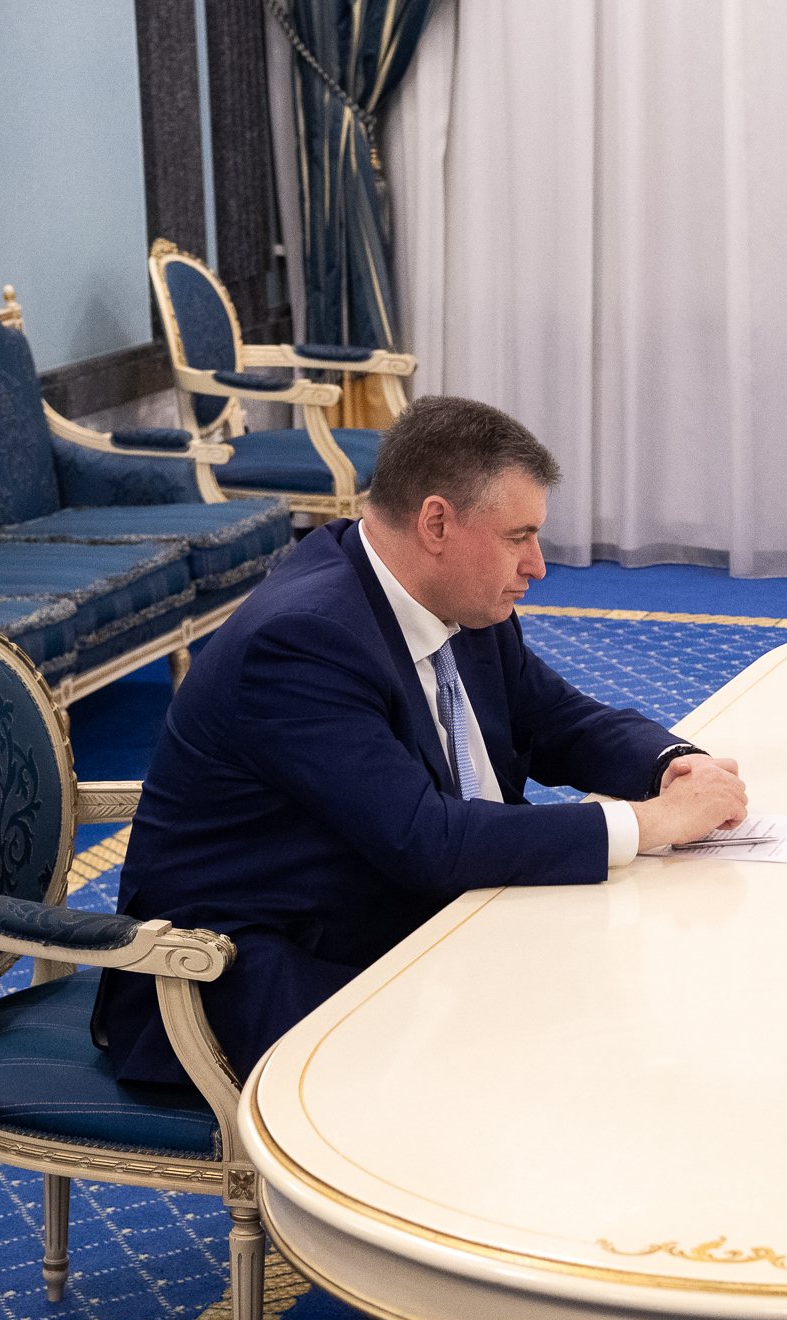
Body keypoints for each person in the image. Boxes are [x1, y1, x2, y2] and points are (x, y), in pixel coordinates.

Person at [93, 395, 748, 1084]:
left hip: (400, 912)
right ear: (437, 523)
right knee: (548, 1056)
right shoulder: (303, 639)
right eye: (519, 537)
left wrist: (675, 767)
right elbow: (426, 839)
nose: (537, 565)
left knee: (624, 999)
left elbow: (559, 720)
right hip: (246, 977)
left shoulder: (456, 598)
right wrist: (651, 823)